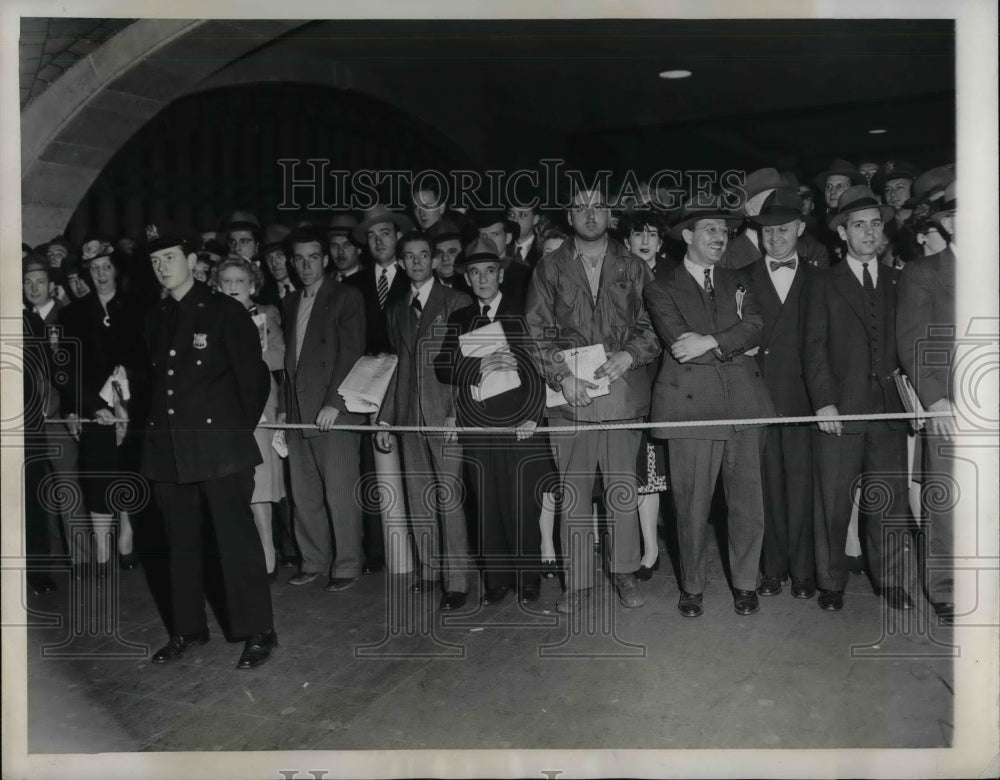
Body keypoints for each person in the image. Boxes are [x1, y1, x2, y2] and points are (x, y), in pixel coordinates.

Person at [141, 222, 276, 669]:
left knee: (235, 543)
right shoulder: (156, 318)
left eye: (171, 259)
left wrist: (233, 437)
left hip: (221, 450)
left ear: (194, 263)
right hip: (171, 451)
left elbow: (253, 382)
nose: (163, 268)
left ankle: (258, 630)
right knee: (179, 544)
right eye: (156, 261)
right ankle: (187, 629)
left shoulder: (224, 311)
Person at [525, 187, 661, 614]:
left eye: (598, 206)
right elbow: (536, 328)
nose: (589, 214)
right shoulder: (549, 268)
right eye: (580, 207)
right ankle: (579, 581)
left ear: (610, 215)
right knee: (574, 494)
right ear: (569, 214)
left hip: (621, 397)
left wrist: (631, 353)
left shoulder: (635, 267)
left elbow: (656, 323)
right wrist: (560, 376)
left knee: (622, 490)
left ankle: (622, 571)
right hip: (570, 400)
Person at [644, 199, 774, 618]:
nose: (721, 238)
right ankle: (693, 587)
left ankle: (745, 584)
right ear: (687, 236)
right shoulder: (660, 286)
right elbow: (682, 345)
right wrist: (733, 343)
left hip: (745, 404)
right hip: (690, 407)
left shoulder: (740, 279)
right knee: (691, 504)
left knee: (747, 503)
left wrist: (712, 340)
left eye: (724, 231)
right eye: (711, 231)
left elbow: (756, 325)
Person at [802, 185, 913, 613]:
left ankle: (890, 580)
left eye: (875, 224)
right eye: (859, 225)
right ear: (842, 233)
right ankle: (831, 580)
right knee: (833, 498)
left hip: (888, 409)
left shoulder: (898, 280)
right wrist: (823, 402)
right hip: (840, 409)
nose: (869, 232)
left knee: (889, 499)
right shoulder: (822, 283)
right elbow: (812, 347)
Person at [433, 236, 552, 605]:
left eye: (489, 271)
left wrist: (533, 417)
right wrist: (476, 365)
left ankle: (528, 578)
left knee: (521, 501)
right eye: (474, 273)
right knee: (485, 503)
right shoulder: (460, 318)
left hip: (519, 423)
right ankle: (497, 579)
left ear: (500, 274)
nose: (482, 279)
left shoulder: (522, 313)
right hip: (477, 422)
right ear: (466, 279)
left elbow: (541, 369)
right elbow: (442, 366)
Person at [375, 230, 474, 611]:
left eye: (423, 256)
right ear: (400, 263)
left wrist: (456, 412)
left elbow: (468, 365)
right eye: (409, 257)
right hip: (408, 417)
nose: (416, 262)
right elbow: (398, 365)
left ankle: (457, 580)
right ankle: (430, 570)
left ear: (434, 261)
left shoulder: (457, 301)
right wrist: (386, 420)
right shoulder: (396, 308)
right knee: (419, 497)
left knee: (449, 498)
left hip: (445, 415)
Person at [741, 188, 817, 599]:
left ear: (800, 229)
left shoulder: (820, 277)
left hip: (805, 398)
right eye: (768, 230)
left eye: (784, 229)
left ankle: (804, 572)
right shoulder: (743, 277)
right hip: (761, 397)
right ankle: (772, 569)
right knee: (766, 486)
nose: (776, 237)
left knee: (803, 487)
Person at [281, 227, 367, 591]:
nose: (306, 265)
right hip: (299, 408)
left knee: (340, 493)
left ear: (326, 260)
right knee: (305, 494)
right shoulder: (289, 302)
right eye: (299, 258)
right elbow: (290, 360)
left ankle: (348, 564)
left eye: (313, 257)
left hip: (334, 409)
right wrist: (286, 407)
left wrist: (335, 402)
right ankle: (314, 559)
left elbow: (351, 352)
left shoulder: (346, 297)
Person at [61, 244, 148, 580]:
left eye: (106, 266)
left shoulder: (138, 309)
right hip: (93, 408)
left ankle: (126, 537)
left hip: (131, 406)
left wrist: (131, 376)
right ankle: (101, 548)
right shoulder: (73, 314)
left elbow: (149, 360)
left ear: (116, 270)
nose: (100, 273)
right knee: (98, 475)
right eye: (94, 268)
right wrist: (80, 408)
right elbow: (66, 369)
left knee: (127, 472)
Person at [896, 181, 957, 623]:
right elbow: (912, 339)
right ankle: (946, 589)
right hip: (950, 405)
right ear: (949, 223)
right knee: (946, 500)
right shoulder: (924, 273)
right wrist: (935, 399)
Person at [214, 256, 286, 581]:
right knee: (230, 485)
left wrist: (241, 354)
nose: (232, 287)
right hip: (221, 410)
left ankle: (268, 554)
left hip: (259, 406)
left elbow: (279, 355)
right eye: (226, 281)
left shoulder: (265, 315)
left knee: (261, 483)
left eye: (239, 281)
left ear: (252, 285)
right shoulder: (209, 317)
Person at [619, 211, 671, 579]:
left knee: (661, 473)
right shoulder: (615, 279)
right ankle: (643, 549)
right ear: (626, 242)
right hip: (627, 382)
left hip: (668, 383)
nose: (645, 240)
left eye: (652, 234)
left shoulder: (674, 277)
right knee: (635, 472)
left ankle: (656, 549)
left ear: (662, 242)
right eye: (638, 234)